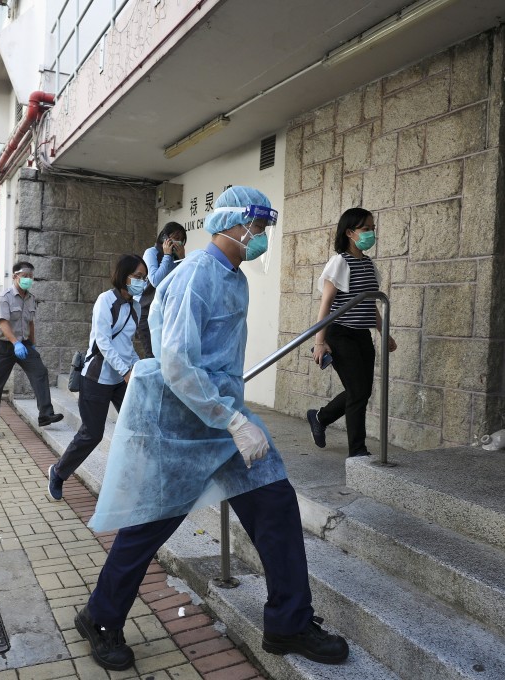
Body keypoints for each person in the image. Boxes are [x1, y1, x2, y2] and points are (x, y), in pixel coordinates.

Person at [75, 187, 349, 671]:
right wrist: (234, 420)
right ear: (233, 224)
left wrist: (233, 419)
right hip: (184, 425)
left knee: (276, 505)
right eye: (258, 228)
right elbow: (178, 364)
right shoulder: (195, 277)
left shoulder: (233, 278)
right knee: (148, 527)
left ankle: (288, 622)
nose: (262, 237)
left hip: (223, 422)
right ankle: (99, 617)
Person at [47, 255, 146, 501]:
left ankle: (132, 481)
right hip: (97, 377)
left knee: (139, 426)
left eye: (144, 278)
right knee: (92, 433)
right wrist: (125, 370)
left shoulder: (136, 306)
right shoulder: (106, 300)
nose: (142, 282)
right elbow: (103, 342)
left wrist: (138, 366)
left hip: (122, 378)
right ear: (124, 277)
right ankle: (58, 473)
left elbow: (126, 345)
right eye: (137, 277)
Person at [307, 208, 397, 457]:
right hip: (340, 334)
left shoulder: (368, 264)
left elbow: (371, 305)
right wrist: (319, 342)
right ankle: (358, 451)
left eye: (373, 228)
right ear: (350, 232)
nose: (371, 233)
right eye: (365, 228)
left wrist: (383, 332)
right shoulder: (339, 263)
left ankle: (321, 417)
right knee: (358, 392)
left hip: (361, 335)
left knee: (362, 390)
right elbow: (325, 305)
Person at [0, 261, 63, 439]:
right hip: (3, 345)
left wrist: (32, 344)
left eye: (31, 277)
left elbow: (30, 323)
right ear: (15, 276)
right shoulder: (5, 297)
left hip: (23, 345)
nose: (28, 280)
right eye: (25, 276)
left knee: (40, 372)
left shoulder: (30, 298)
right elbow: (3, 322)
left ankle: (45, 414)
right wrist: (15, 343)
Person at [138, 222, 186, 358]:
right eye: (175, 237)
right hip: (147, 312)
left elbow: (182, 281)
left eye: (181, 240)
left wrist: (182, 259)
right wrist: (167, 256)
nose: (178, 242)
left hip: (167, 313)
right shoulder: (151, 253)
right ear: (165, 237)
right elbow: (155, 280)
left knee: (167, 357)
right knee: (152, 356)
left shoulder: (176, 258)